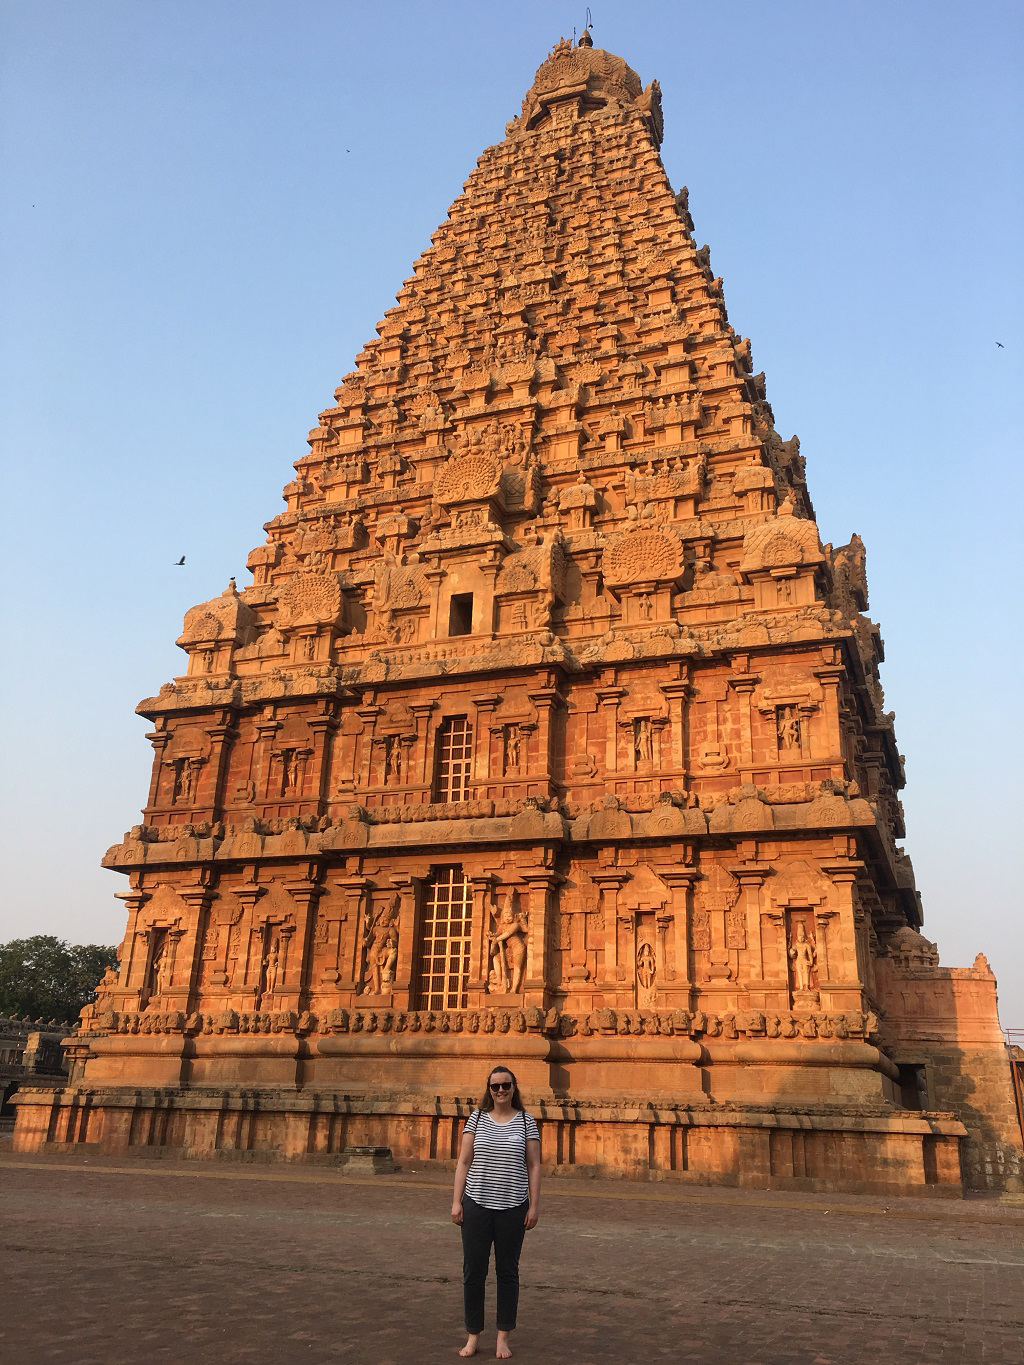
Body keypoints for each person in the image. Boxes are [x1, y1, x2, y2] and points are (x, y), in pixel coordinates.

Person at [451, 1066, 541, 1359]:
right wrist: (456, 1202)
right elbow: (464, 1161)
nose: (501, 1091)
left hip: (513, 1207)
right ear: (488, 1090)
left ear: (515, 1087)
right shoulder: (476, 1119)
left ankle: (503, 1336)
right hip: (476, 1203)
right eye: (495, 1087)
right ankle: (473, 1334)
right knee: (473, 1271)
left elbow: (534, 1166)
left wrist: (534, 1205)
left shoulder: (527, 1122)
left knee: (507, 1271)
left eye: (506, 1085)